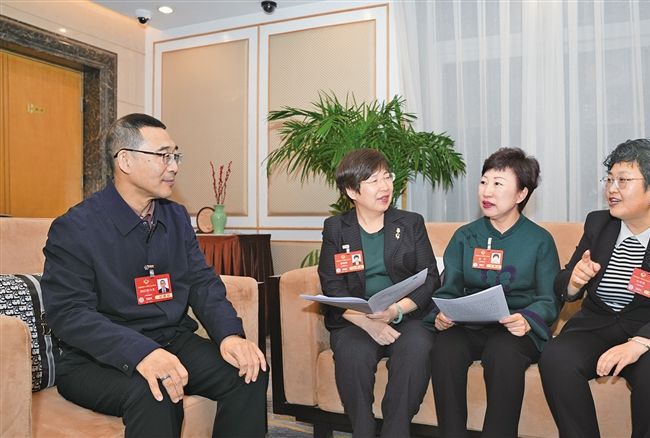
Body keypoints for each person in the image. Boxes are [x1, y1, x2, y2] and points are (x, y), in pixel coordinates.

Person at [41, 114, 268, 437]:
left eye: (176, 156)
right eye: (163, 156)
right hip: (95, 359)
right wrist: (140, 353)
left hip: (171, 339)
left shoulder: (175, 217)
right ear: (125, 161)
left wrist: (230, 335)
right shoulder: (76, 227)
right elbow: (69, 313)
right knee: (158, 390)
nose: (173, 166)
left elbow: (202, 283)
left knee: (249, 371)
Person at [538, 139, 650, 438]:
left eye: (623, 180)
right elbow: (564, 283)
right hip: (597, 327)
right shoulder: (598, 224)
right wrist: (575, 281)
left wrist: (638, 344)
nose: (611, 189)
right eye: (609, 180)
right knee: (556, 356)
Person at [427, 147, 560, 437]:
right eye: (484, 181)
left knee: (503, 353)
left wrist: (526, 320)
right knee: (445, 349)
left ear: (521, 194)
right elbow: (449, 288)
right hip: (469, 325)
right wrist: (442, 314)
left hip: (515, 328)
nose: (487, 191)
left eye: (498, 184)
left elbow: (549, 299)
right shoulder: (465, 236)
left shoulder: (539, 240)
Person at [318, 148, 440, 438]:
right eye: (373, 181)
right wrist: (367, 322)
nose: (385, 186)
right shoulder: (336, 228)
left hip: (406, 316)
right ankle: (362, 430)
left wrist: (395, 311)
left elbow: (430, 278)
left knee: (416, 348)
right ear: (352, 191)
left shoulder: (410, 223)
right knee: (353, 354)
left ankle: (395, 431)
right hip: (356, 320)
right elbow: (332, 286)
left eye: (387, 177)